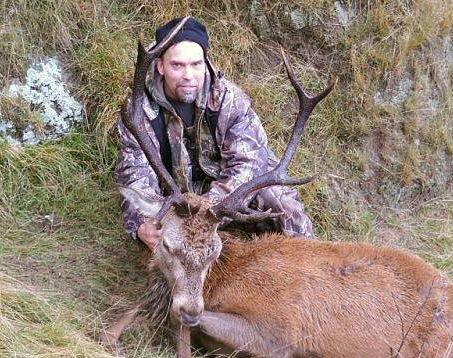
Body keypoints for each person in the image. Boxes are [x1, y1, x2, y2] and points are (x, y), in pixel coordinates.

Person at [115, 17, 314, 250]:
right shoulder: (140, 112)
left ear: (205, 62)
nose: (188, 75)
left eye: (196, 64)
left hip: (227, 190)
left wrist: (207, 213)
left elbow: (247, 165)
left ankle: (314, 266)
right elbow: (134, 173)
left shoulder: (229, 100)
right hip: (176, 197)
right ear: (160, 66)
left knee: (285, 207)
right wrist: (142, 226)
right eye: (177, 65)